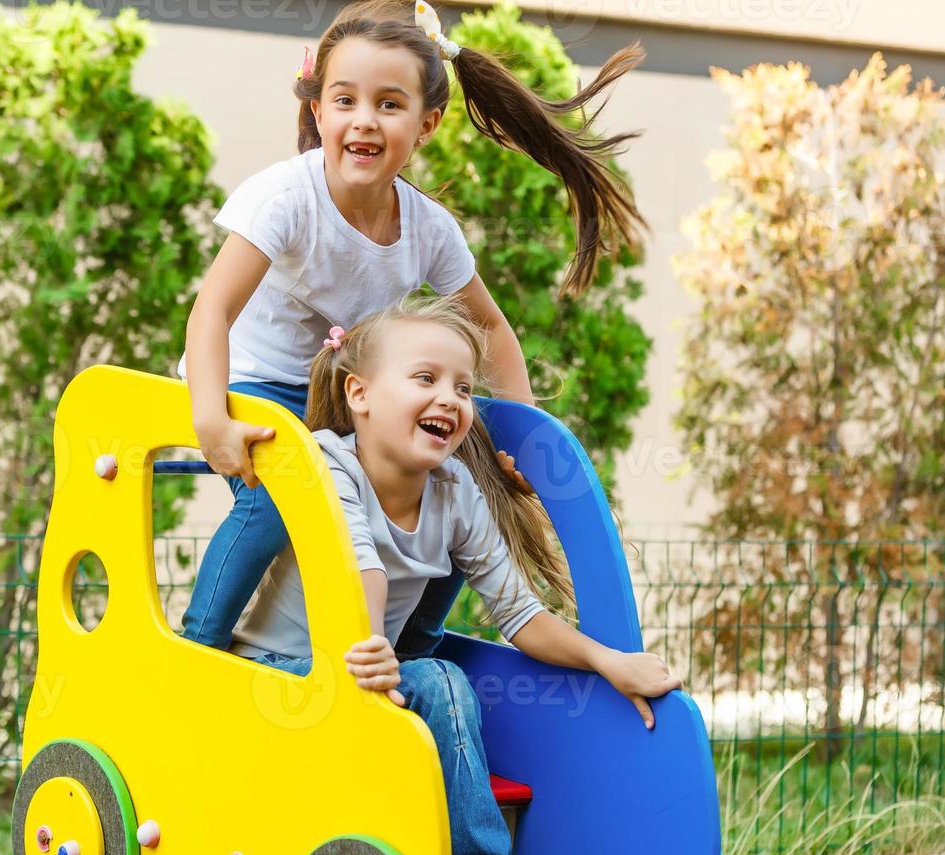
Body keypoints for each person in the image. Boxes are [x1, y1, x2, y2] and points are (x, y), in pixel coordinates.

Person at [178, 0, 647, 656]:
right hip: (255, 383)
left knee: (453, 489)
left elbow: (493, 332)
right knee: (275, 497)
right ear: (319, 113)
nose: (364, 120)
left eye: (389, 104)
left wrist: (523, 438)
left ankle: (414, 653)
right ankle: (195, 651)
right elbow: (213, 311)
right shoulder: (284, 199)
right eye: (345, 101)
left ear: (426, 124)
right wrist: (210, 418)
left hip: (347, 394)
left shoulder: (427, 229)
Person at [231, 294, 680, 855]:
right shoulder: (327, 464)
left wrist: (608, 661)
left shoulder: (454, 492)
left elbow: (521, 614)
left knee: (437, 680)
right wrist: (369, 640)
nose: (451, 398)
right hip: (279, 667)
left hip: (364, 662)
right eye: (426, 379)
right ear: (358, 394)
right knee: (434, 679)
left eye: (464, 387)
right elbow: (361, 565)